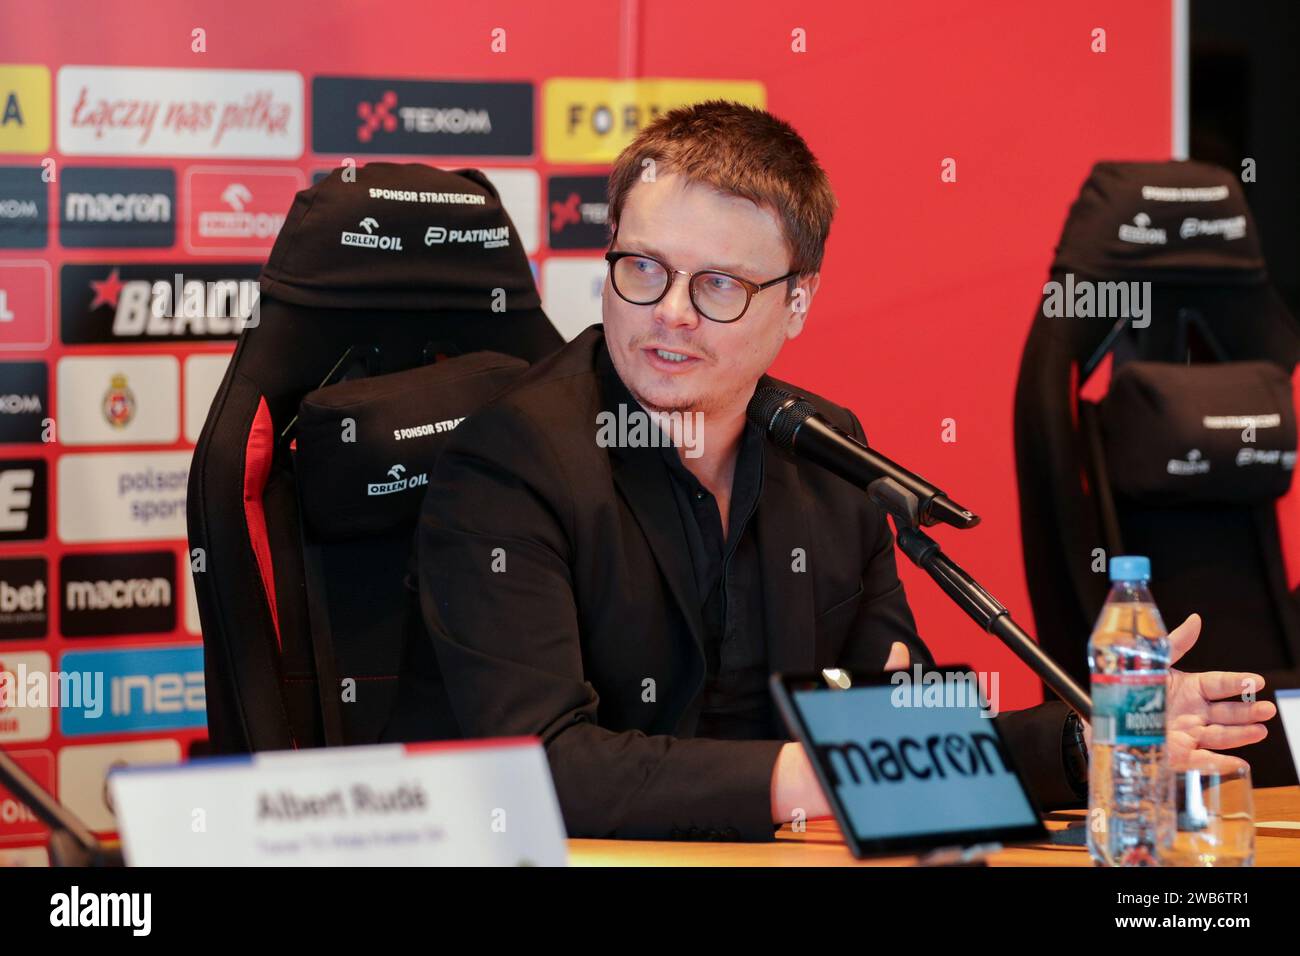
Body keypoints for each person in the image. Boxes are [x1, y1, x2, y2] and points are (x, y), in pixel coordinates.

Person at [385, 100, 1277, 840]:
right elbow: (550, 766)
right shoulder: (509, 464)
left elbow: (893, 731)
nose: (670, 316)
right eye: (643, 269)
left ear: (798, 302)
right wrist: (822, 774)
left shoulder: (828, 455)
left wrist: (1082, 743)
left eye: (720, 285)